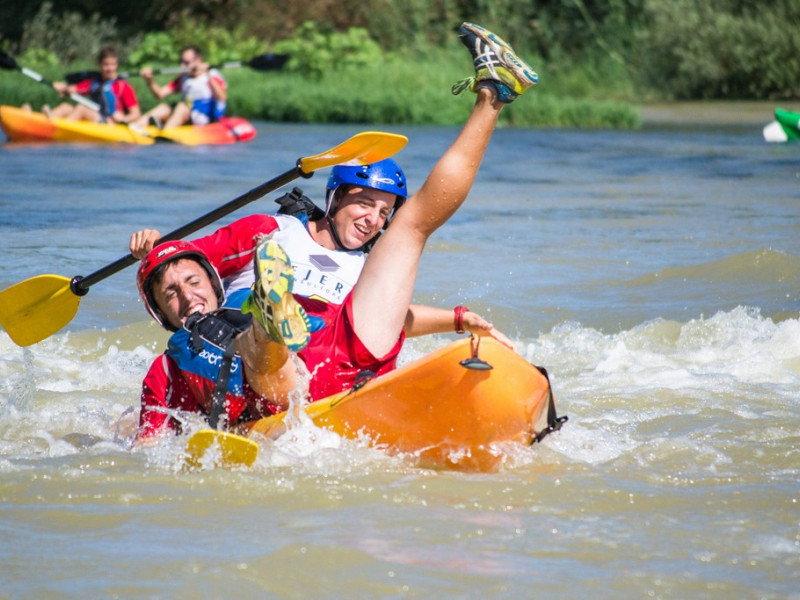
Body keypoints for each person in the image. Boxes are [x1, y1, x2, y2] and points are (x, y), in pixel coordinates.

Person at [131, 22, 537, 441]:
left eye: (382, 211)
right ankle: (271, 320)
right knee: (262, 348)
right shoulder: (271, 231)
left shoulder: (368, 265)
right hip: (280, 372)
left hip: (345, 344)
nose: (373, 220)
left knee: (412, 227)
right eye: (363, 203)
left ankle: (494, 92)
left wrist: (459, 318)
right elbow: (183, 264)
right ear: (334, 199)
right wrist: (153, 248)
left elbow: (398, 315)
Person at [132, 45, 227, 130]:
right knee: (164, 107)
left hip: (204, 118)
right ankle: (135, 126)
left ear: (198, 60)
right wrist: (150, 81)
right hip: (186, 114)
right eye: (181, 62)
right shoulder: (183, 78)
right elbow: (160, 94)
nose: (182, 66)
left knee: (182, 107)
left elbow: (222, 97)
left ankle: (165, 133)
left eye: (186, 62)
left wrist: (207, 74)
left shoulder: (212, 75)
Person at [44, 45, 141, 124]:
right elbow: (73, 89)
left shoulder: (123, 87)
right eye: (106, 64)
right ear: (99, 65)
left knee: (81, 108)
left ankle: (60, 130)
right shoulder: (94, 82)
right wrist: (63, 87)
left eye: (113, 64)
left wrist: (124, 119)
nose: (110, 69)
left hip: (110, 123)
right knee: (66, 107)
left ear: (117, 65)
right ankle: (44, 120)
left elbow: (136, 114)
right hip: (95, 118)